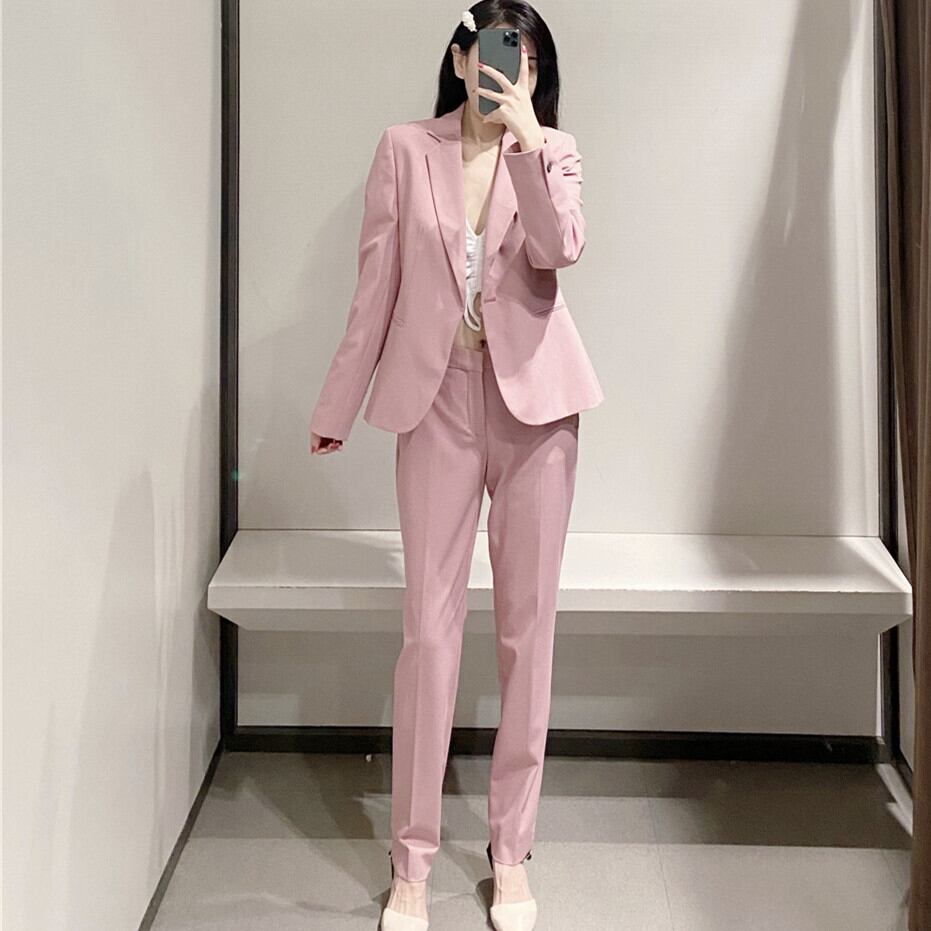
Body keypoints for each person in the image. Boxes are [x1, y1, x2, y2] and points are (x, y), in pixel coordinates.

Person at [309, 4, 604, 928]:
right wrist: (336, 405)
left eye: (528, 60)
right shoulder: (405, 148)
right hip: (434, 401)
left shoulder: (553, 151)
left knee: (526, 633)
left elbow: (558, 252)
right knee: (427, 635)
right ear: (460, 55)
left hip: (537, 410)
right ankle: (411, 861)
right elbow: (376, 288)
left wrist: (527, 144)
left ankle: (511, 854)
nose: (510, 70)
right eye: (496, 52)